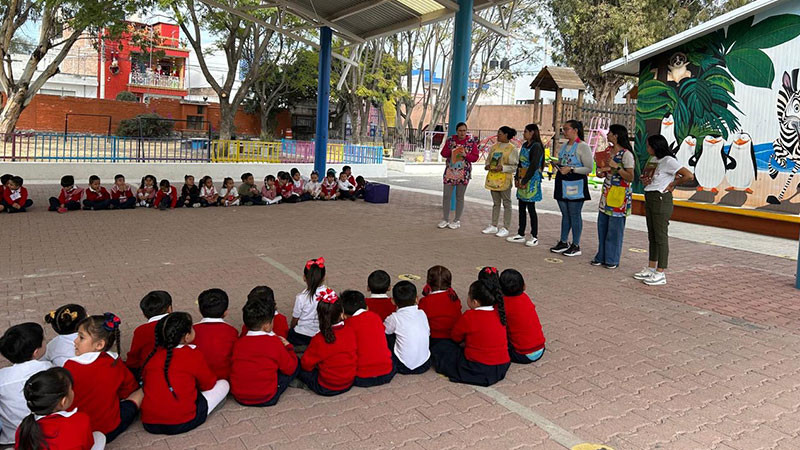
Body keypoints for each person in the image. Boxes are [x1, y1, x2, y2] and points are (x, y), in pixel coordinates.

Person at [139, 312, 230, 435]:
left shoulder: (151, 355)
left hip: (149, 424)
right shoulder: (192, 354)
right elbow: (208, 384)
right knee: (224, 384)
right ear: (187, 337)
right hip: (183, 422)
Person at [65, 313, 143, 442]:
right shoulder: (114, 362)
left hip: (82, 434)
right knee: (140, 392)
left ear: (99, 345)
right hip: (110, 430)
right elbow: (129, 390)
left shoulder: (69, 366)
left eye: (81, 337)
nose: (75, 341)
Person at [634, 134, 694, 286]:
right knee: (652, 234)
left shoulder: (669, 160)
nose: (647, 149)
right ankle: (651, 267)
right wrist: (645, 179)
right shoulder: (654, 160)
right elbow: (650, 176)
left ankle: (661, 272)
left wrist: (673, 184)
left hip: (661, 198)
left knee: (661, 236)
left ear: (656, 146)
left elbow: (688, 175)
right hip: (650, 196)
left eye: (649, 146)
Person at [430, 279, 510, 387]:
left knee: (442, 348)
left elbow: (455, 337)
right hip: (501, 367)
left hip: (478, 369)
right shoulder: (499, 313)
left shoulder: (470, 316)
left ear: (475, 302)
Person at [231, 288, 299, 406]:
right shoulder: (274, 342)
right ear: (267, 326)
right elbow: (290, 368)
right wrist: (289, 348)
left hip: (239, 396)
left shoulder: (239, 343)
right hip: (267, 397)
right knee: (296, 363)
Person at [15, 367, 104, 450]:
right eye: (71, 389)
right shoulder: (81, 420)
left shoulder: (23, 428)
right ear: (63, 401)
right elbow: (87, 445)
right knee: (100, 436)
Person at [0, 323, 53, 445]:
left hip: (11, 437)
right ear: (36, 352)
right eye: (44, 339)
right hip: (45, 436)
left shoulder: (2, 377)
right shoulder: (50, 370)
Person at [298, 289, 357, 396]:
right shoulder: (350, 330)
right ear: (342, 313)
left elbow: (306, 365)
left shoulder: (319, 339)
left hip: (327, 386)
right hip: (349, 382)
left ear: (320, 316)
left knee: (298, 366)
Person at [592, 124, 636, 269]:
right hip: (607, 192)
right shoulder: (608, 151)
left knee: (615, 229)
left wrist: (616, 167)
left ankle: (612, 259)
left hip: (619, 195)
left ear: (616, 136)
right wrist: (602, 171)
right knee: (602, 225)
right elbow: (608, 170)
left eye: (610, 133)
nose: (608, 135)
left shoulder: (626, 154)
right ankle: (601, 255)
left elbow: (630, 177)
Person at [551, 120, 593, 257]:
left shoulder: (583, 146)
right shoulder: (564, 145)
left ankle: (576, 244)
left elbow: (588, 168)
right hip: (562, 181)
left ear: (575, 130)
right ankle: (563, 241)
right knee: (565, 213)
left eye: (567, 129)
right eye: (563, 129)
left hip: (575, 183)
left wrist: (572, 169)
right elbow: (563, 160)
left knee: (574, 214)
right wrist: (557, 163)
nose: (564, 131)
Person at [341, 290, 395, 387]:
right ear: (367, 307)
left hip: (362, 377)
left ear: (344, 314)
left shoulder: (347, 326)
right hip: (386, 373)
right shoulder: (376, 317)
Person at [507, 124, 544, 247]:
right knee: (521, 206)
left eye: (526, 131)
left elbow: (533, 165)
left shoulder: (537, 146)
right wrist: (517, 177)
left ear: (532, 132)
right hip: (522, 177)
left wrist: (525, 180)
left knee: (531, 208)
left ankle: (534, 235)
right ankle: (520, 233)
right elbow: (520, 163)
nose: (524, 133)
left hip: (531, 180)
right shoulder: (524, 145)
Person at [499, 269, 546, 364]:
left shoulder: (502, 304)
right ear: (524, 286)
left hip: (522, 354)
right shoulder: (525, 297)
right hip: (540, 348)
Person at [384, 281, 431, 375]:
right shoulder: (422, 313)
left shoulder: (394, 317)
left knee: (387, 335)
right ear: (417, 299)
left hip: (403, 366)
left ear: (392, 301)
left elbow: (384, 330)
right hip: (425, 364)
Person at [439, 122, 480, 229]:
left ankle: (457, 220)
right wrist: (451, 149)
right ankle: (445, 219)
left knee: (459, 196)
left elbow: (475, 158)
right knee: (447, 195)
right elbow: (443, 153)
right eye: (460, 130)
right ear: (456, 131)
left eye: (464, 131)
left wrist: (466, 155)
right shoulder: (450, 140)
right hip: (450, 171)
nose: (462, 133)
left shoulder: (471, 142)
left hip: (464, 172)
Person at [481, 126, 520, 238]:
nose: (498, 135)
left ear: (507, 135)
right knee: (496, 202)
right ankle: (494, 225)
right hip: (493, 178)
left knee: (506, 202)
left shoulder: (512, 149)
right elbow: (488, 160)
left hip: (505, 179)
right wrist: (488, 166)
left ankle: (506, 227)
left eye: (500, 133)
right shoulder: (494, 147)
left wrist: (502, 168)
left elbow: (514, 166)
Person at [192, 289, 238, 380]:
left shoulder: (192, 331)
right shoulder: (232, 331)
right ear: (226, 312)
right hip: (224, 377)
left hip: (198, 377)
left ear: (199, 310)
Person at [126, 291, 173, 375]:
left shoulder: (141, 331)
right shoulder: (181, 323)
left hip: (150, 373)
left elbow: (133, 359)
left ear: (144, 314)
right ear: (169, 309)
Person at [418, 266, 462, 348]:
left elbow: (420, 320)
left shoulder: (425, 301)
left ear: (428, 281)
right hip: (454, 337)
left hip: (434, 338)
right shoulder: (454, 297)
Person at [288, 258, 327, 346]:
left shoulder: (301, 297)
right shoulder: (330, 294)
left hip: (301, 336)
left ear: (304, 277)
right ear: (324, 277)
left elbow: (295, 320)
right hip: (322, 334)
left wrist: (292, 328)